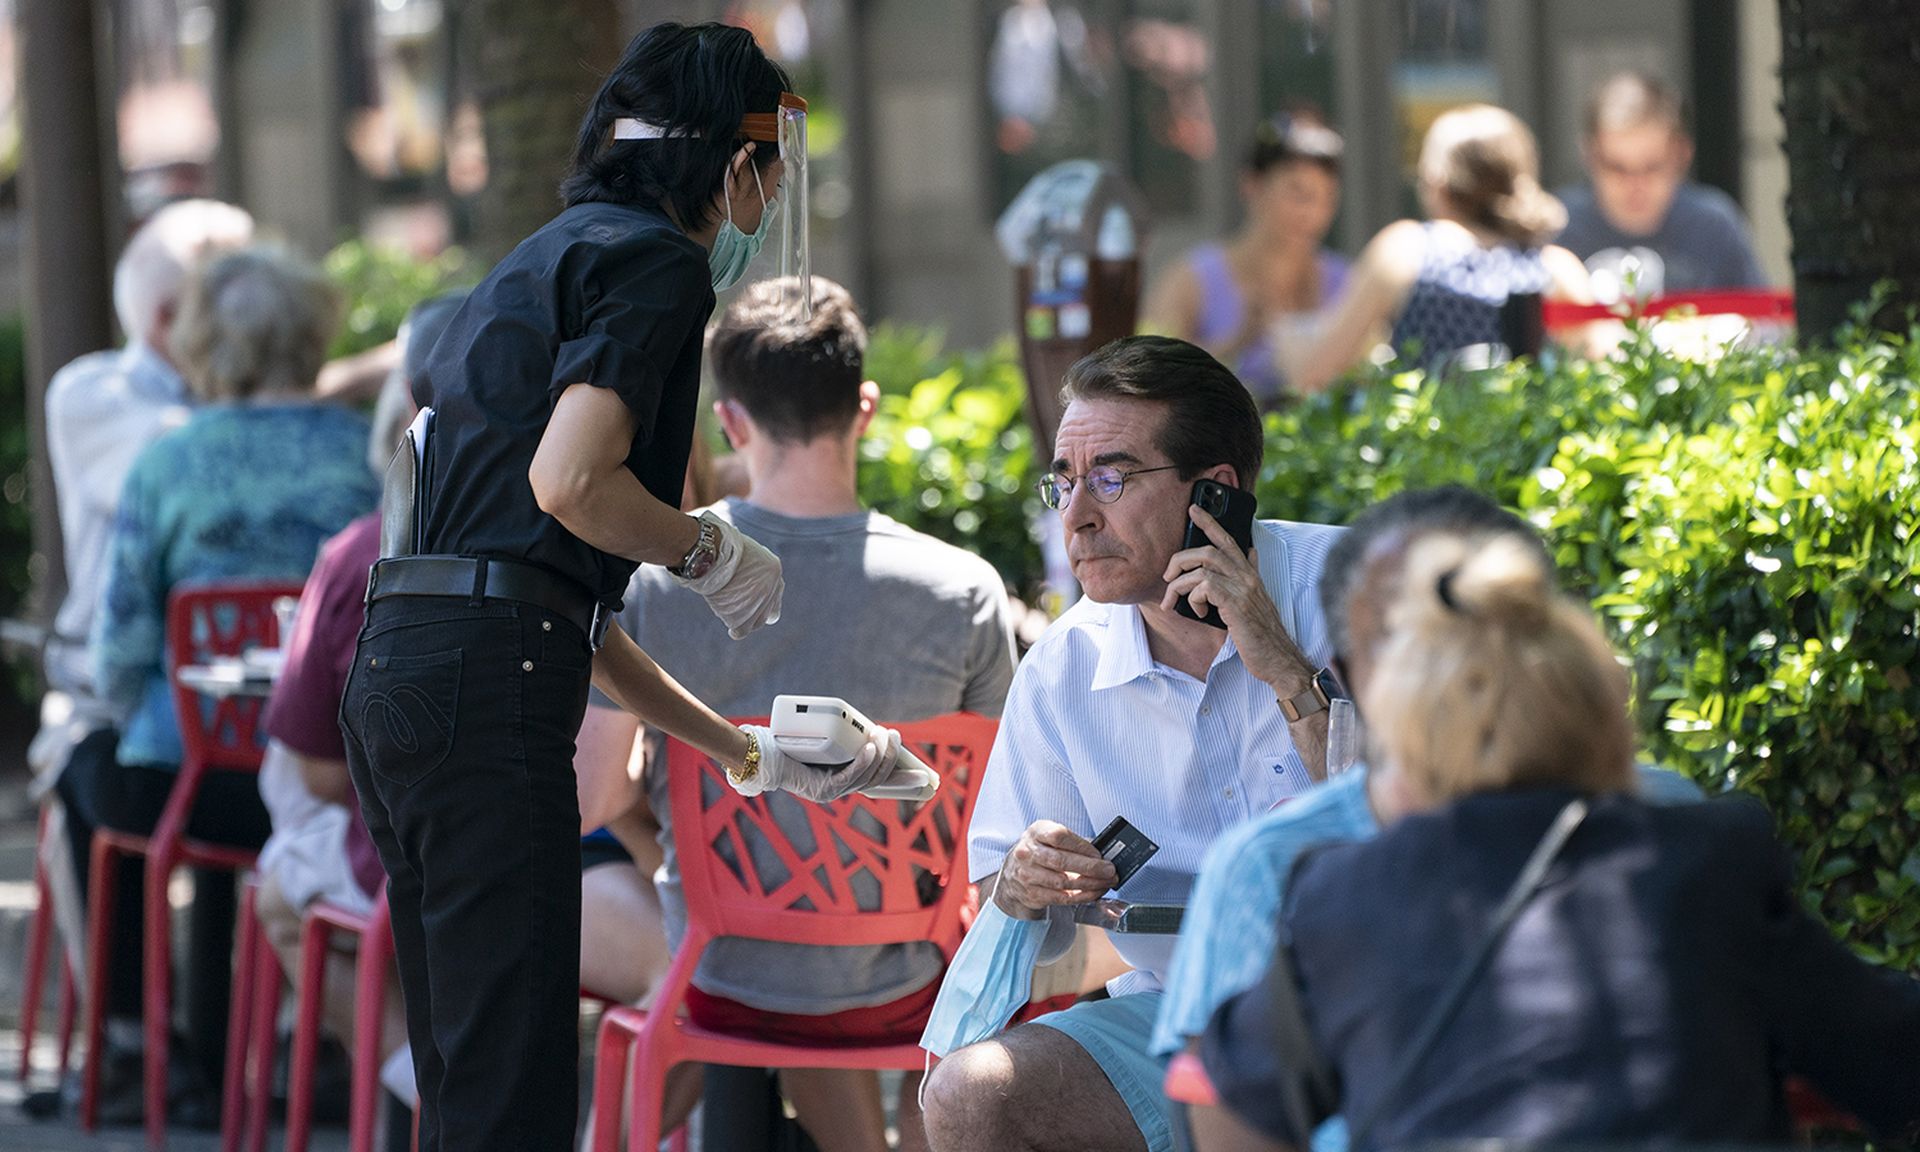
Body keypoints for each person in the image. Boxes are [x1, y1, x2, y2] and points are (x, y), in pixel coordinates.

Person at [338, 25, 905, 1152]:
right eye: (776, 160)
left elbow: (550, 595)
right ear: (733, 163)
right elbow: (568, 484)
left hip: (406, 669)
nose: (779, 187)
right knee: (515, 1096)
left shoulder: (539, 259)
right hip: (488, 687)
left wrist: (739, 750)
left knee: (467, 1076)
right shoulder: (656, 263)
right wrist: (707, 551)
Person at [1200, 532, 1920, 1151]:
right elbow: (1890, 1056)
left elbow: (1220, 1095)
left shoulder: (1335, 899)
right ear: (1602, 717)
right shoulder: (1707, 862)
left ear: (1405, 742)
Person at [573, 274, 1017, 1151]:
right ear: (867, 406)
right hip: (902, 982)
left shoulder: (658, 582)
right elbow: (993, 813)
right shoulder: (964, 590)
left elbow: (589, 797)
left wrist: (693, 831)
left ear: (730, 423)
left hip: (719, 970)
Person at [1149, 486, 1701, 1152]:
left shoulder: (1678, 818)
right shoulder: (1269, 867)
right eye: (1410, 643)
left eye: (1486, 628)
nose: (1453, 672)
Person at [919, 334, 1344, 1152]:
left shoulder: (1353, 590)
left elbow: (1429, 832)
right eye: (1065, 481)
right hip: (1182, 1012)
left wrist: (1285, 669)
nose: (1076, 515)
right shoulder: (1063, 669)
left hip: (1379, 997)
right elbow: (1002, 912)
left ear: (1212, 493)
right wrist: (1023, 881)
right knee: (971, 1097)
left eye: (1111, 478)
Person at [83, 243, 380, 1116]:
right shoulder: (365, 456)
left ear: (204, 342)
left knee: (101, 770)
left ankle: (148, 1051)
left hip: (186, 780)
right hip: (332, 777)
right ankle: (311, 1044)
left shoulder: (166, 465)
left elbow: (121, 647)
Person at [252, 293, 467, 1118]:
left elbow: (313, 770)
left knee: (279, 888)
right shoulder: (589, 534)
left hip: (410, 862)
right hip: (572, 857)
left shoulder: (359, 556)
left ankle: (419, 1092)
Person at [1289, 105, 1589, 394]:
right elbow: (1607, 369)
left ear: (1437, 182)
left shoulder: (1404, 252)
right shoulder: (1556, 269)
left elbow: (1316, 377)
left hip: (1425, 441)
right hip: (1526, 444)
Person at [1143, 113, 1347, 404]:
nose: (1311, 211)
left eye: (1326, 197)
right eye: (1297, 192)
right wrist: (1239, 341)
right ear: (1253, 185)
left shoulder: (1347, 281)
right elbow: (1148, 377)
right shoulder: (1191, 280)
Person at [1555, 71, 1766, 299]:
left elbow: (1764, 322)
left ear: (1682, 156)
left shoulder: (1715, 226)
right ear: (1590, 157)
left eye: (1652, 167)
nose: (1635, 185)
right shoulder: (1555, 226)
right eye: (1616, 168)